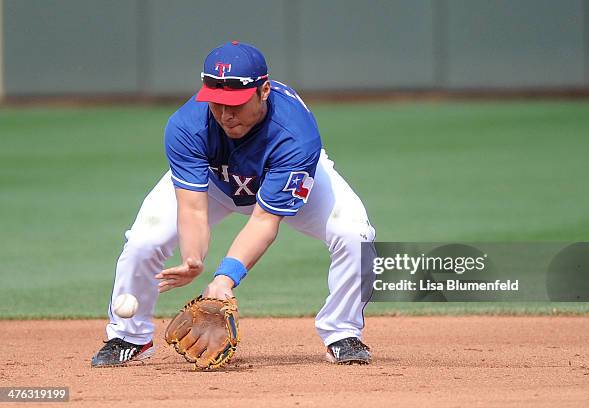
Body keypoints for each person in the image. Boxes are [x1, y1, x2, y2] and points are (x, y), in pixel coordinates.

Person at [91, 41, 376, 367]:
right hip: (214, 183)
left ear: (264, 90)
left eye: (236, 104)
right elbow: (193, 208)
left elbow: (264, 221)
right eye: (216, 103)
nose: (226, 114)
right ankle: (129, 337)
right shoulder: (188, 126)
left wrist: (223, 279)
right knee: (144, 242)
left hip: (284, 179)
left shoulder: (295, 135)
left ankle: (342, 333)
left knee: (356, 235)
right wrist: (193, 257)